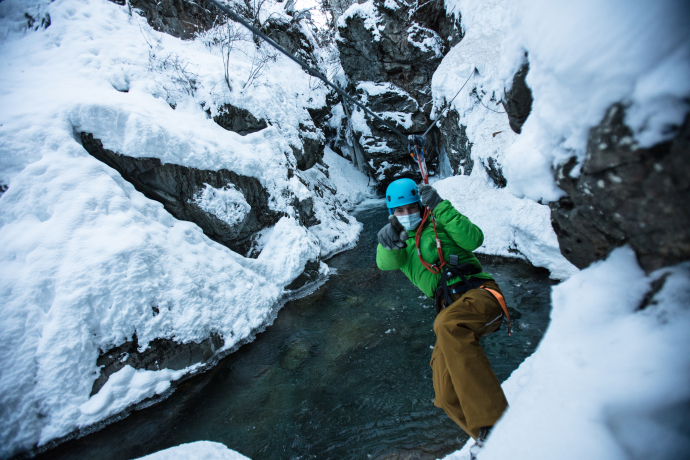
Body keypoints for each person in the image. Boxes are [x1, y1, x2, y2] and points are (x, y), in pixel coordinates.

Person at [376, 178, 508, 455]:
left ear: (420, 205)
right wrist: (386, 241)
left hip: (481, 294)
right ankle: (492, 445)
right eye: (399, 211)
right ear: (391, 213)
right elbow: (384, 263)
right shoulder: (399, 244)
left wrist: (440, 206)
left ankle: (497, 427)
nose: (406, 214)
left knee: (447, 325)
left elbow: (475, 238)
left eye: (411, 207)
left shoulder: (440, 221)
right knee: (445, 392)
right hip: (451, 311)